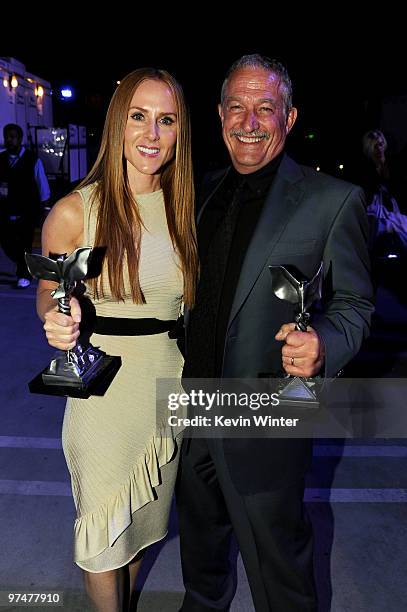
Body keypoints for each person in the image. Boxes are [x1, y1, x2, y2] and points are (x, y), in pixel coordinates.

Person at [177, 54, 374, 611]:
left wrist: (325, 345)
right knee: (202, 567)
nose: (249, 120)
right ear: (218, 116)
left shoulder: (332, 201)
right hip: (193, 411)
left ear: (288, 119)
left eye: (265, 107)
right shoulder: (202, 194)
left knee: (280, 574)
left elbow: (356, 302)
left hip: (267, 419)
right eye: (236, 107)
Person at [36, 68, 197, 612]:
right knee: (102, 541)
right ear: (116, 123)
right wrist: (57, 317)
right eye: (138, 116)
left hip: (166, 390)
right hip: (103, 391)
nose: (152, 134)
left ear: (180, 132)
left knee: (136, 535)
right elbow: (49, 288)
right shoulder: (78, 209)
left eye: (166, 120)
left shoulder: (187, 210)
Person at [0, 123, 50, 287]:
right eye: (7, 136)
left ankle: (24, 275)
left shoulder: (32, 159)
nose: (9, 140)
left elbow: (42, 184)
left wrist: (44, 208)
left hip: (27, 210)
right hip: (5, 210)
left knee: (24, 243)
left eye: (13, 137)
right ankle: (27, 264)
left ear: (20, 139)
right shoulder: (1, 158)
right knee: (6, 242)